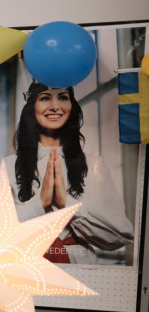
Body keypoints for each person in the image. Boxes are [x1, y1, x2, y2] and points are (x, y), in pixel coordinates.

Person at [7, 81, 134, 264]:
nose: (55, 106)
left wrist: (67, 205)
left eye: (63, 97)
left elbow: (121, 235)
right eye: (45, 98)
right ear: (31, 107)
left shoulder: (93, 164)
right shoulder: (8, 166)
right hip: (24, 265)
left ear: (71, 106)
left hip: (81, 268)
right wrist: (40, 203)